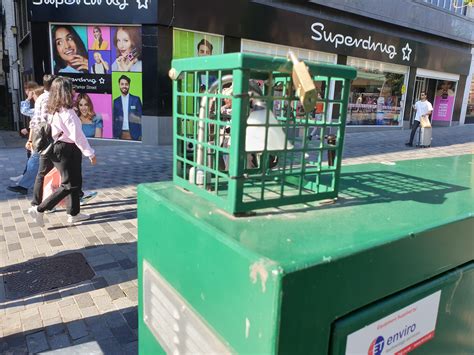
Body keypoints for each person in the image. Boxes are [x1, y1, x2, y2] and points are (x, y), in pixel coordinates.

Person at [28, 76, 97, 227]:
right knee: (68, 185)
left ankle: (74, 213)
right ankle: (40, 209)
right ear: (65, 91)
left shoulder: (56, 109)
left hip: (62, 148)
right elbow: (78, 136)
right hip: (66, 149)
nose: (73, 91)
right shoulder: (68, 113)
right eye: (71, 88)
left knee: (75, 182)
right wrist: (90, 153)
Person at [7, 85, 45, 194]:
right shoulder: (44, 108)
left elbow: (25, 111)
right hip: (41, 139)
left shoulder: (40, 108)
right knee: (35, 162)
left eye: (33, 95)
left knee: (34, 162)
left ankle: (25, 186)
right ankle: (25, 185)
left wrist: (30, 139)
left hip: (41, 139)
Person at [10, 81, 40, 183]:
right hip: (35, 134)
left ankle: (25, 181)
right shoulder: (37, 102)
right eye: (26, 90)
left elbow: (24, 111)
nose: (27, 92)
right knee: (32, 158)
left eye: (29, 90)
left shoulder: (39, 103)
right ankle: (25, 177)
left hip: (39, 135)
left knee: (34, 159)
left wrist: (27, 99)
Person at [113, 75, 142, 140]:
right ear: (119, 85)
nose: (124, 86)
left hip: (134, 134)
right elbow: (114, 118)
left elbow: (141, 117)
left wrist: (141, 134)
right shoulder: (116, 101)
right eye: (122, 84)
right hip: (120, 134)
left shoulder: (136, 99)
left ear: (129, 85)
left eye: (126, 84)